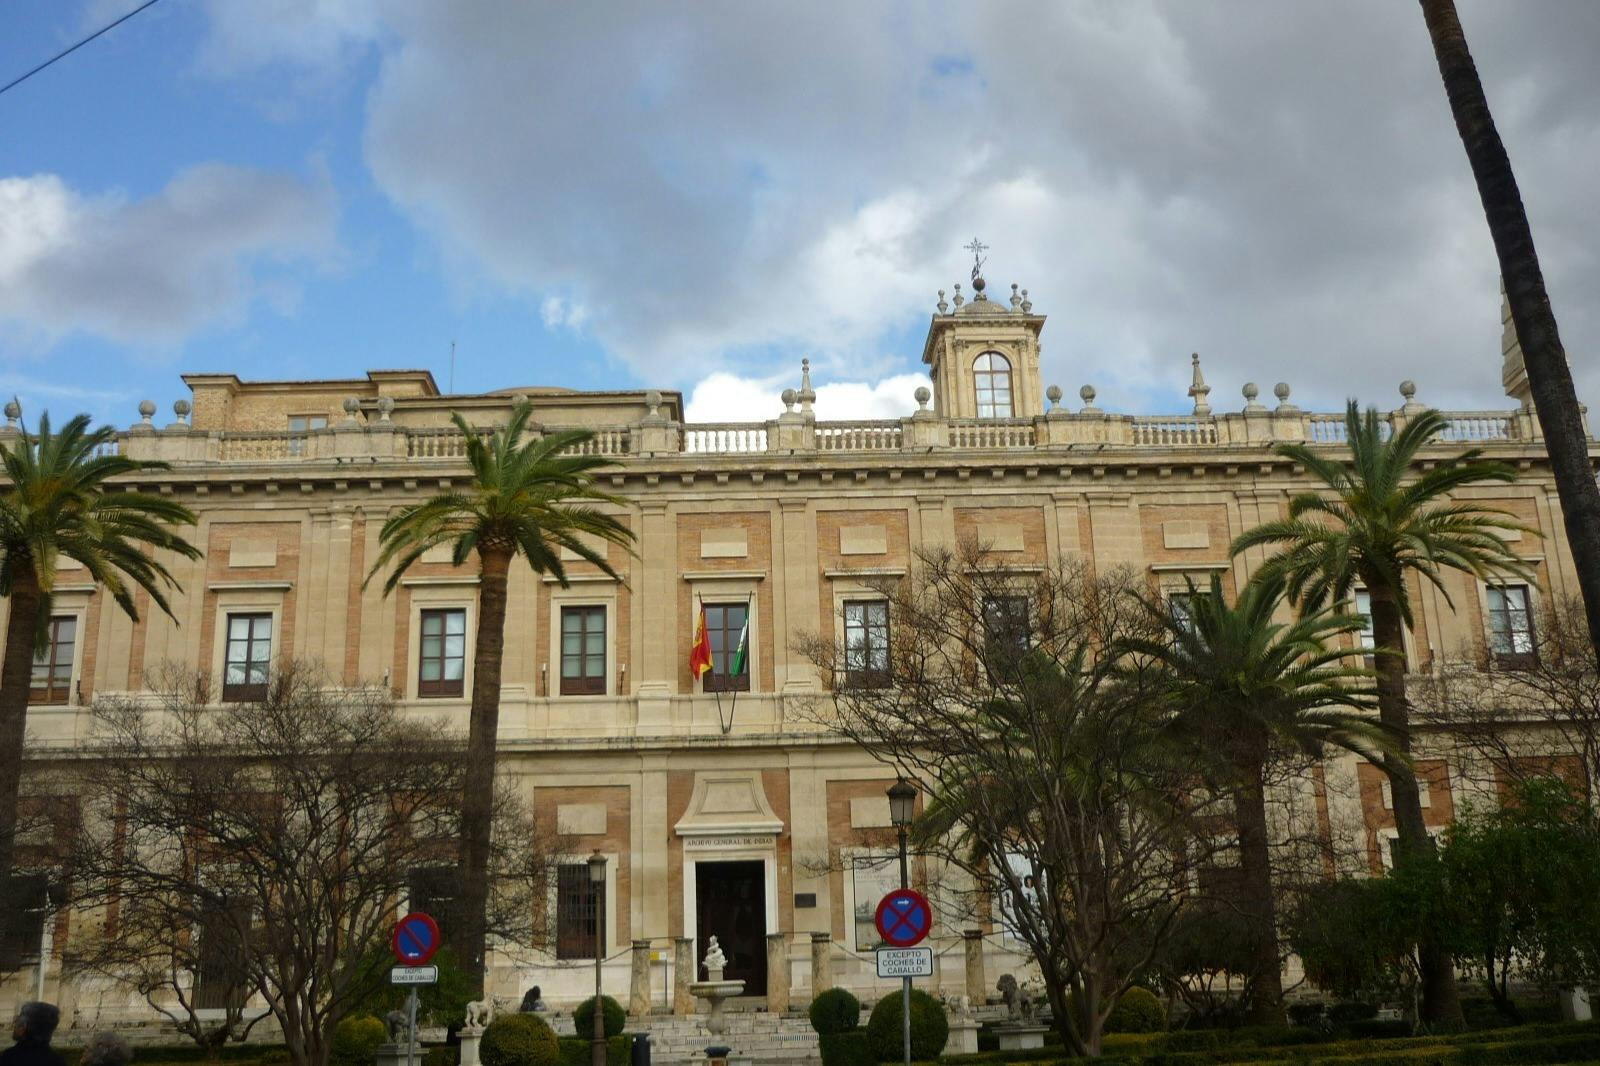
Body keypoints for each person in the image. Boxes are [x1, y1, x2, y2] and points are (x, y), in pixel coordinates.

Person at [1, 1003, 66, 1066]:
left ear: (22, 1028)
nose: (14, 1024)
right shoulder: (57, 1061)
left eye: (17, 1021)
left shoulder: (9, 1058)